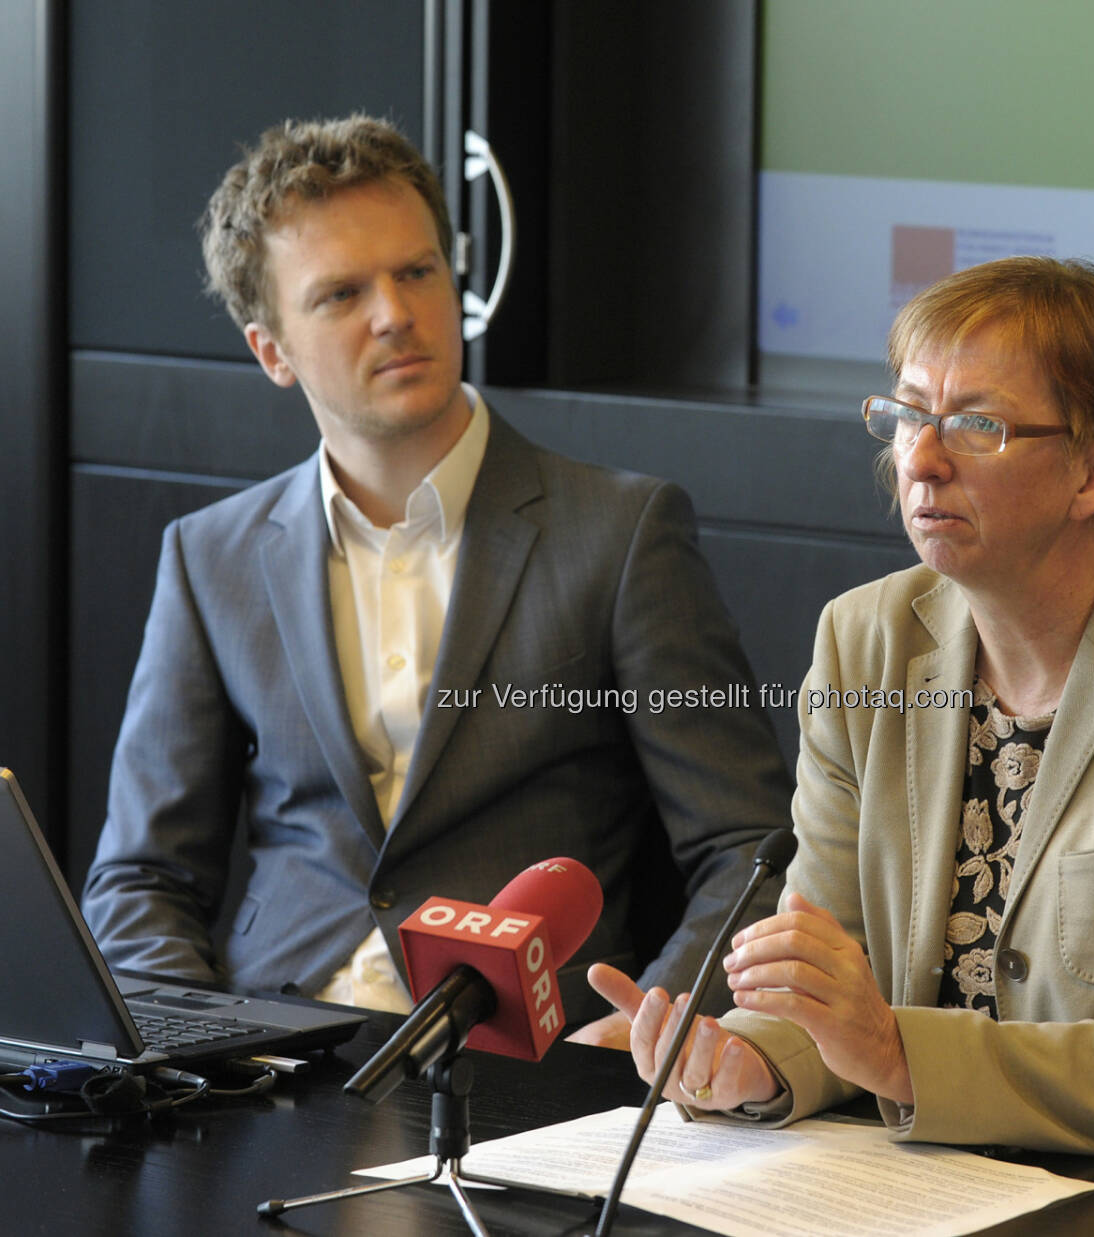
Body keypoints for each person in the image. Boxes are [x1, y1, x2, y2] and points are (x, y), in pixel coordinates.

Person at [590, 257, 1094, 1167]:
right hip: (951, 1191)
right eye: (905, 416)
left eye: (977, 425)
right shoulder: (864, 643)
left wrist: (896, 1053)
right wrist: (750, 1060)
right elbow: (836, 981)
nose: (919, 460)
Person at [81, 114, 792, 1046]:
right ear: (272, 352)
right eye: (340, 294)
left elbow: (749, 850)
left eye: (416, 271)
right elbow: (142, 881)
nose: (395, 313)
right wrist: (201, 1049)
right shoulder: (210, 556)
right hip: (280, 1057)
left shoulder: (621, 533)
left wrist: (643, 1030)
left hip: (535, 1064)